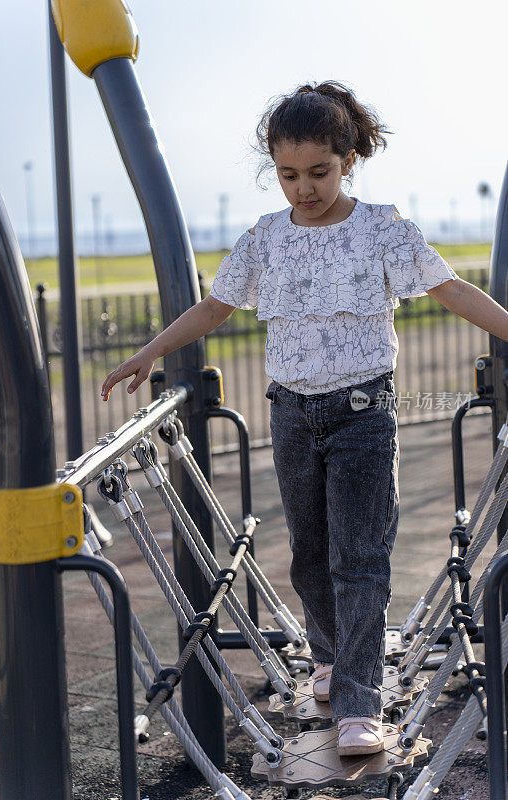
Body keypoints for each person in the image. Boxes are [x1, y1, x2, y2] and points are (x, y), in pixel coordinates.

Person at [101, 80, 508, 757]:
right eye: (288, 174)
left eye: (317, 172)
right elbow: (214, 307)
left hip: (362, 413)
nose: (303, 188)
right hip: (290, 415)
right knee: (308, 557)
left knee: (359, 558)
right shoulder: (265, 238)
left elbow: (450, 289)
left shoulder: (381, 228)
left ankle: (358, 699)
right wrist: (148, 352)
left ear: (348, 159)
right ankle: (328, 659)